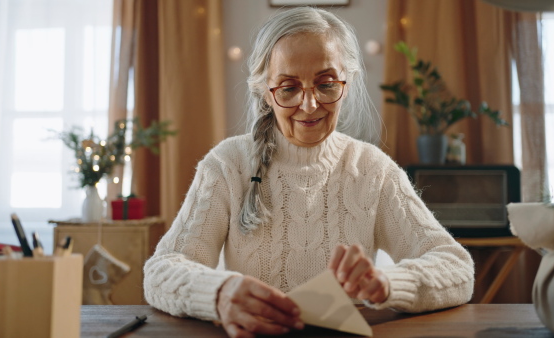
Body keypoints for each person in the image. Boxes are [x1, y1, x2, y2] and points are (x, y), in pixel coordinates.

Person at [144, 6, 474, 338]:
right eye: (288, 88)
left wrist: (387, 283)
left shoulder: (373, 170)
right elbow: (161, 271)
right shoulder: (227, 165)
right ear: (264, 89)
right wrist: (218, 294)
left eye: (326, 84)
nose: (309, 105)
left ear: (348, 79)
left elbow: (456, 268)